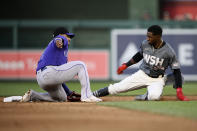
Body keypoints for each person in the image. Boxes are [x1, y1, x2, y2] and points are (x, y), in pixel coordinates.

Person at [93, 25, 189, 101]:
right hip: (142, 74)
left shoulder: (169, 51)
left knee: (154, 97)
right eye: (147, 36)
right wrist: (126, 65)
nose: (147, 38)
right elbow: (139, 55)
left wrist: (179, 90)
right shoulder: (145, 43)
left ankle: (152, 90)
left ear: (158, 36)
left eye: (150, 36)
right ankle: (93, 94)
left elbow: (176, 70)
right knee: (117, 88)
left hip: (157, 79)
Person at [20, 27, 102, 102]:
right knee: (81, 65)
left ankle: (33, 95)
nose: (69, 38)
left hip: (43, 80)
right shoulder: (57, 41)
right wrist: (60, 40)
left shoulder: (60, 54)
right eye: (67, 35)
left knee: (62, 98)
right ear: (61, 35)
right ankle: (87, 96)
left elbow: (59, 76)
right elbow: (59, 39)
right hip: (48, 73)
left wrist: (68, 92)